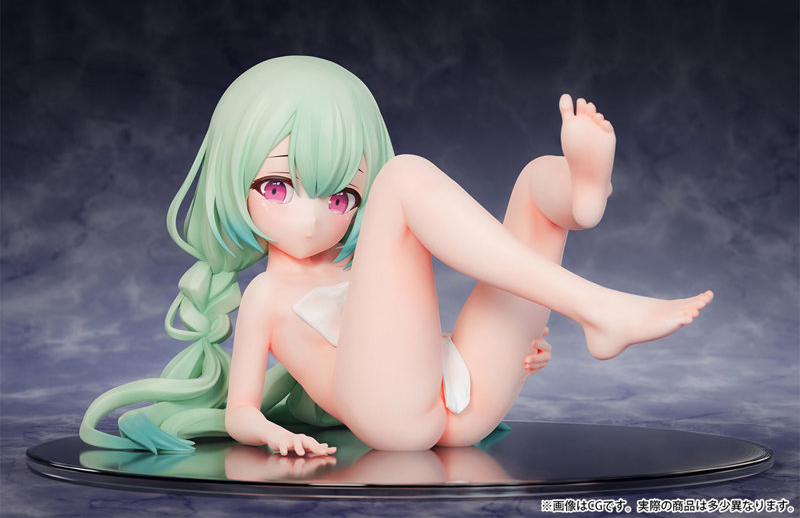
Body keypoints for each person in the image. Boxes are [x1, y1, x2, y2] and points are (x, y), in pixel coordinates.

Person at [80, 56, 712, 455]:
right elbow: (241, 411)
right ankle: (598, 309)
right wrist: (276, 434)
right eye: (277, 188)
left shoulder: (361, 272)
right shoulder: (265, 296)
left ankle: (579, 196)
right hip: (392, 419)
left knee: (532, 188)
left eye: (340, 196)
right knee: (403, 177)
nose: (312, 217)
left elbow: (404, 339)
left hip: (461, 400)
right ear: (233, 181)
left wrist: (518, 361)